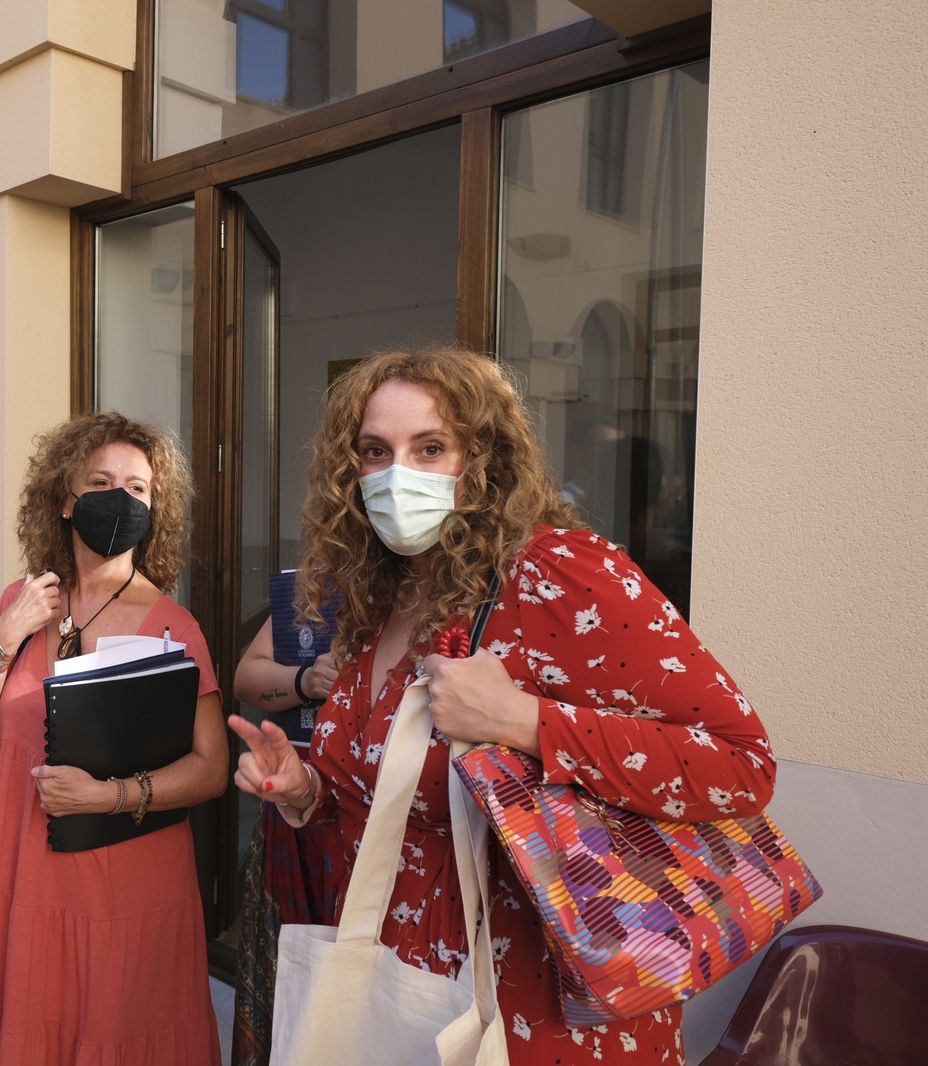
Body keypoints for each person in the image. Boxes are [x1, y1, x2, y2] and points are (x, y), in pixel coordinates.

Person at [229, 346, 776, 1066]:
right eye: (374, 451)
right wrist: (309, 794)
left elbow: (740, 765)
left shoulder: (558, 575)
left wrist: (521, 720)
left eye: (430, 447)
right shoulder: (380, 596)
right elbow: (401, 799)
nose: (398, 474)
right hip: (395, 995)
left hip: (531, 1011)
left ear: (483, 458)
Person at [0, 411, 228, 1066]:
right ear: (67, 501)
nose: (118, 500)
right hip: (18, 872)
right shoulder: (24, 600)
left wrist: (109, 795)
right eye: (101, 482)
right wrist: (6, 635)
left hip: (128, 889)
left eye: (137, 489)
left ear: (156, 509)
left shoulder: (173, 626)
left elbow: (212, 769)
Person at [230, 617, 341, 1066]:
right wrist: (307, 679)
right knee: (288, 988)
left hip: (385, 836)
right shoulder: (313, 594)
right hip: (297, 823)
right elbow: (246, 677)